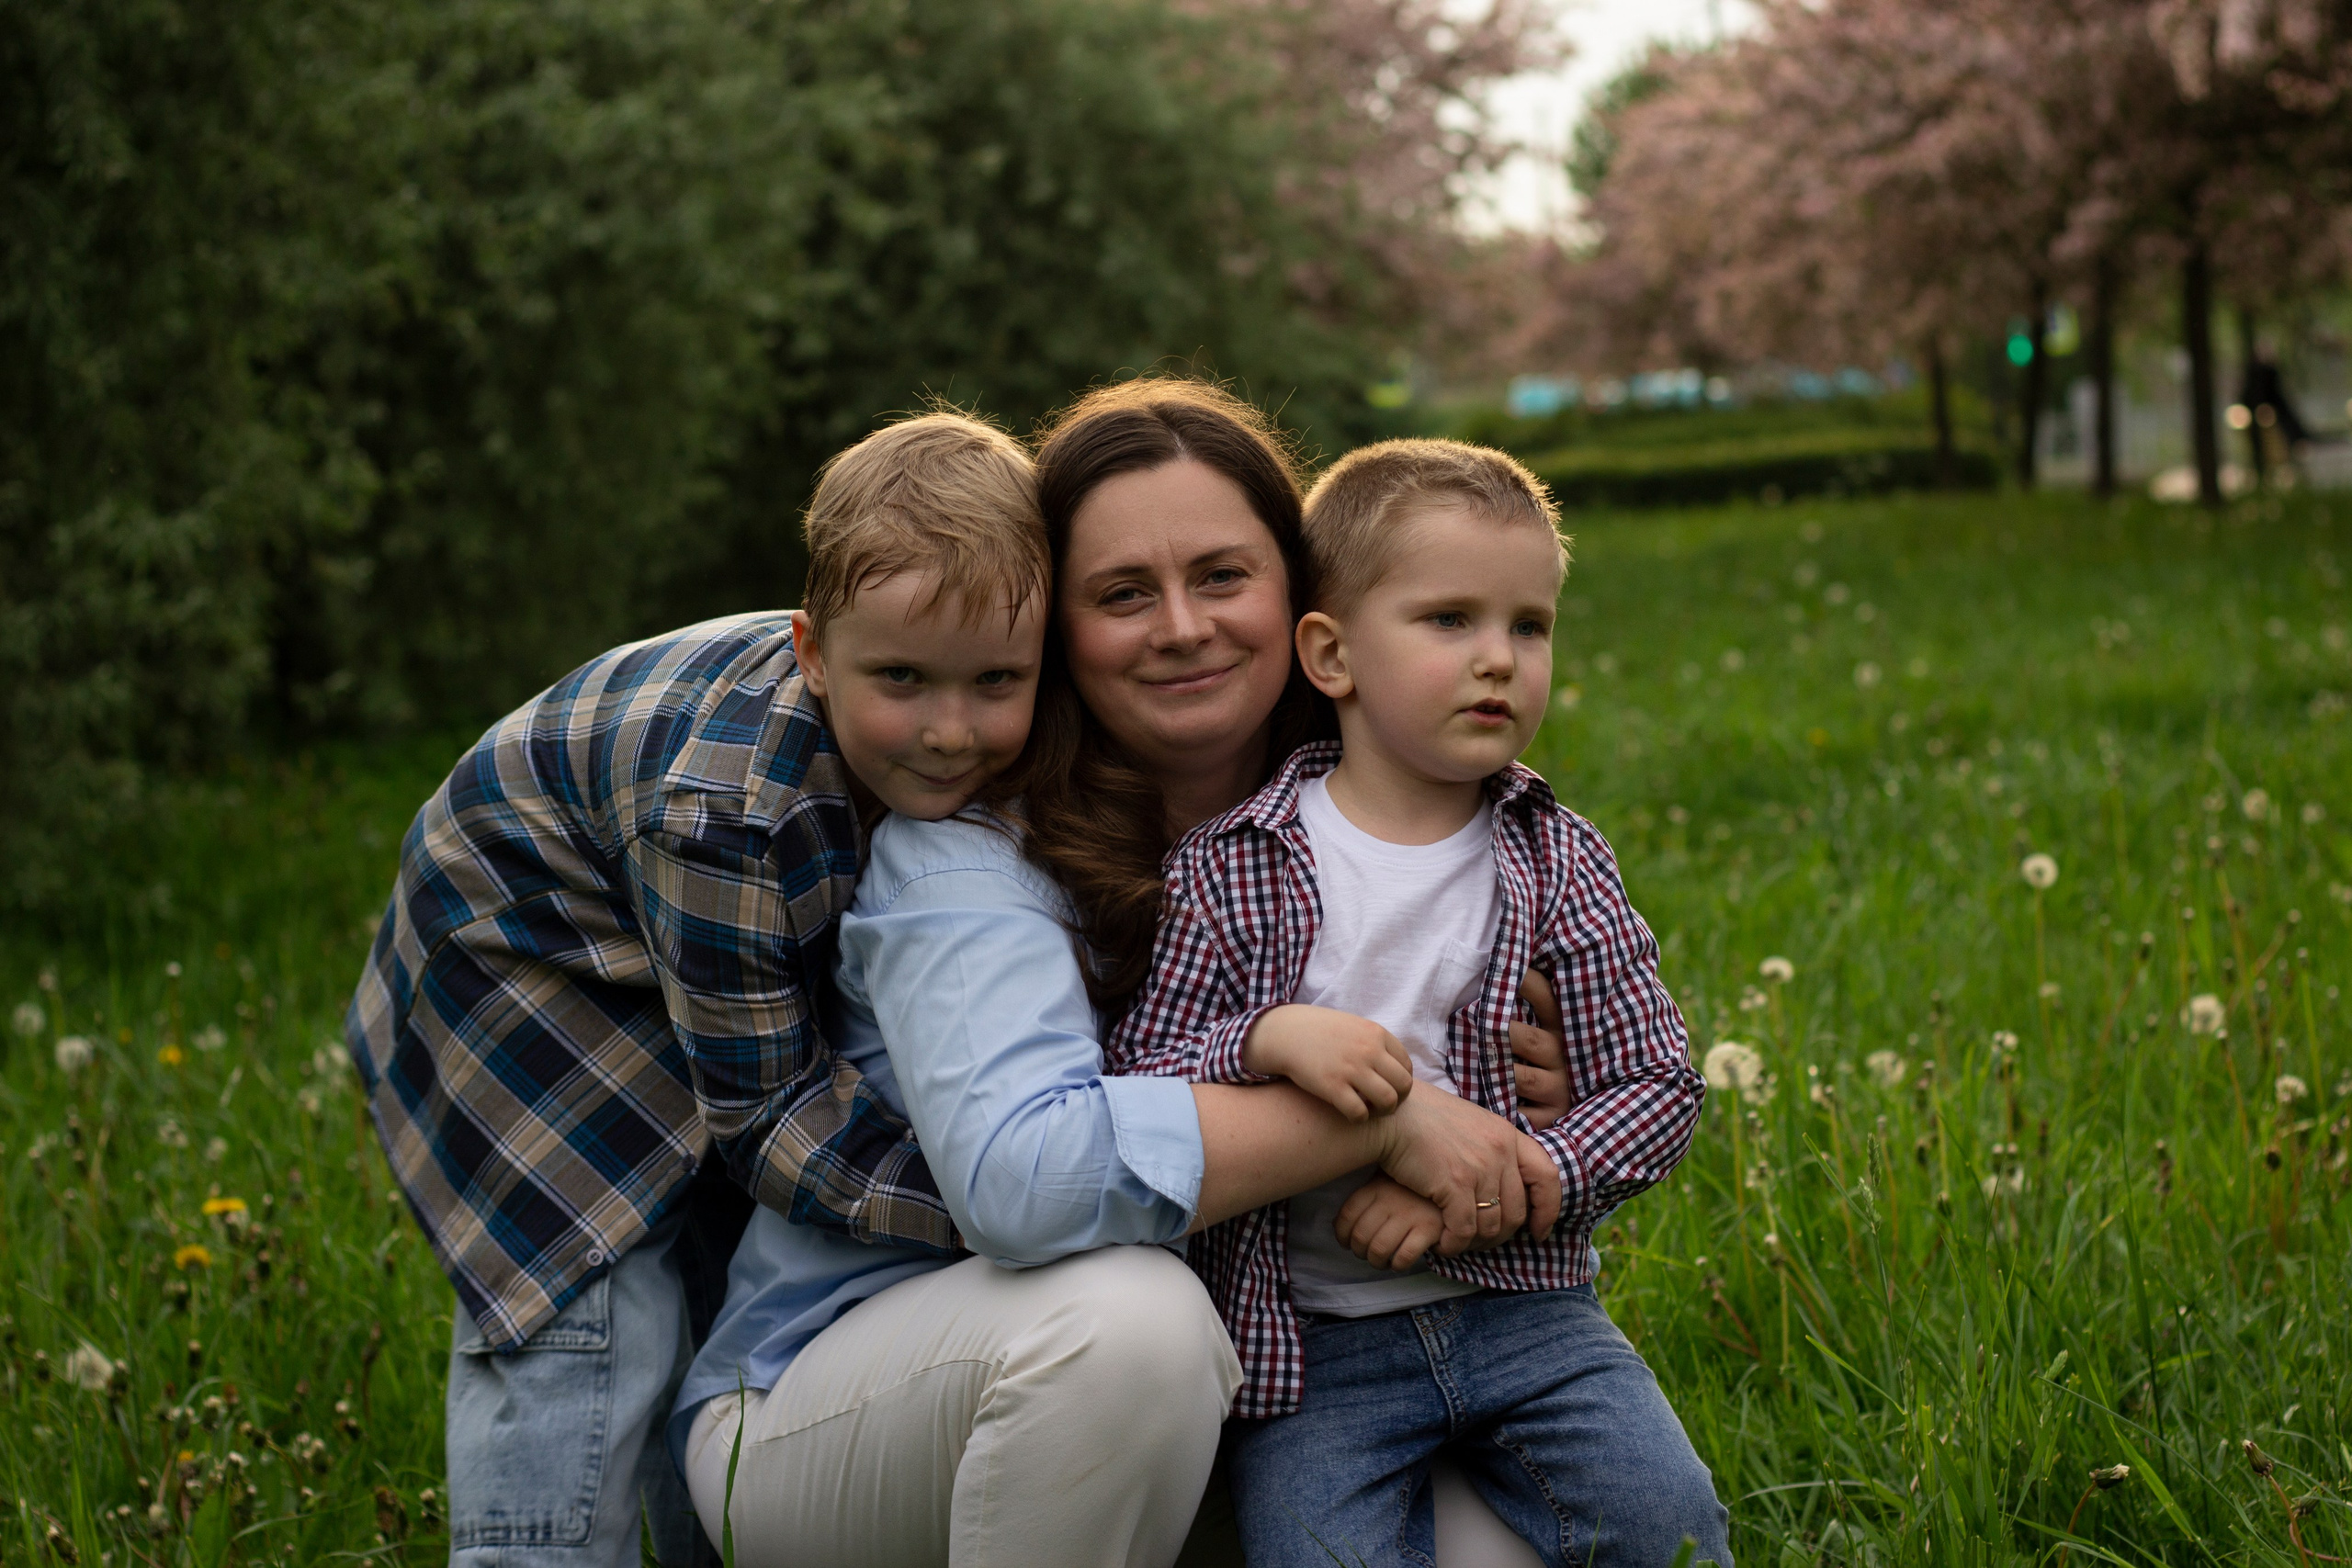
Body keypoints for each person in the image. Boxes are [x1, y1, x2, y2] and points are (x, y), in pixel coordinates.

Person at [676, 381, 1577, 1567]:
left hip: (1261, 1389)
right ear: (1056, 631)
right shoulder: (969, 859)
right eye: (1119, 594)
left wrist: (1522, 1092)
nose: (1181, 626)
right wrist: (1385, 1113)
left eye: (1221, 575)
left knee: (1509, 1546)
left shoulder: (1390, 830)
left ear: (1306, 608)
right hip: (842, 1406)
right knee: (1130, 1325)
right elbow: (1020, 1181)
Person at [345, 412, 1050, 1568]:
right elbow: (774, 1122)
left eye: (997, 681)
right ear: (812, 650)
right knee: (594, 1305)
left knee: (721, 1256)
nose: (950, 729)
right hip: (521, 955)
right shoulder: (728, 814)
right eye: (902, 679)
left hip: (662, 922)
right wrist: (1007, 1203)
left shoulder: (904, 724)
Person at [1106, 438, 1731, 1568]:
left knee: (1669, 1525)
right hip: (1314, 1352)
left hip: (1532, 1322)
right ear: (1332, 655)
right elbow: (1140, 1079)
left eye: (1527, 626)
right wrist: (1264, 1037)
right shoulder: (1232, 864)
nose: (1499, 660)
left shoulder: (1553, 859)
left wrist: (1513, 1187)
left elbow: (1656, 1087)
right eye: (1449, 621)